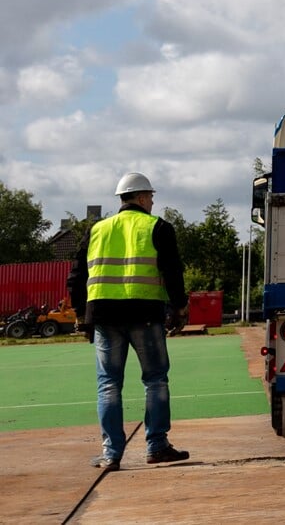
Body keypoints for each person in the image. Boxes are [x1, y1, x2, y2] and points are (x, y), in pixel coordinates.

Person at [66, 171, 190, 472]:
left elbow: (76, 277)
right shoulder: (158, 227)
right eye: (151, 197)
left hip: (105, 318)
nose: (152, 202)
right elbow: (173, 273)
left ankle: (111, 455)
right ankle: (157, 446)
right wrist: (180, 308)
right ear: (142, 197)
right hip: (145, 315)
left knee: (108, 384)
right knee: (155, 379)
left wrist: (82, 316)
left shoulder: (97, 230)